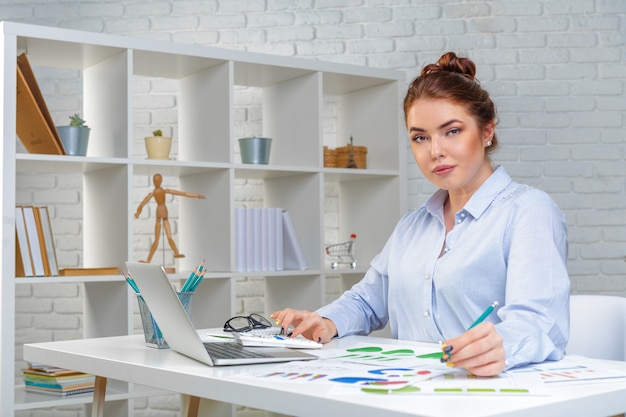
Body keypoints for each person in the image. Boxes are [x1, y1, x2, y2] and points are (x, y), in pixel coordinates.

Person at [271, 52, 570, 377]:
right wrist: (325, 321)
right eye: (420, 137)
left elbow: (539, 322)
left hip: (494, 396)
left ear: (487, 131)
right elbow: (367, 302)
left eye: (452, 131)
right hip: (414, 394)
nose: (435, 151)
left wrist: (501, 345)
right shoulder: (412, 226)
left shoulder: (528, 212)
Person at [135, 173, 206, 263]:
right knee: (162, 238)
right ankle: (152, 259)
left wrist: (197, 195)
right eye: (155, 180)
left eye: (157, 181)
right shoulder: (161, 191)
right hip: (163, 210)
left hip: (161, 211)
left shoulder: (153, 193)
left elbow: (142, 204)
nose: (156, 182)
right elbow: (183, 193)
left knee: (164, 237)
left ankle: (173, 254)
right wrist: (197, 195)